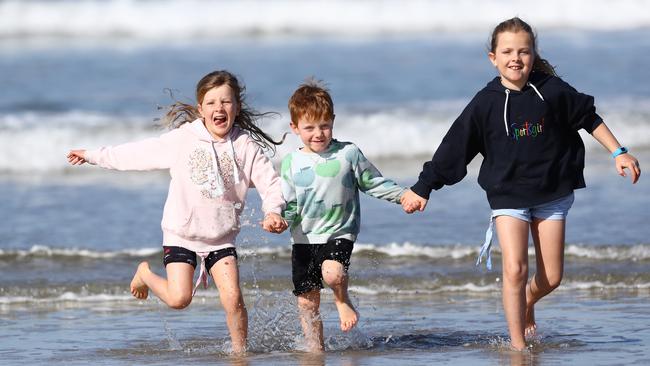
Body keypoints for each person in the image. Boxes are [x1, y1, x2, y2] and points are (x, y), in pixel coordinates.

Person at [401, 17, 641, 351]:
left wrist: (618, 151)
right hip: (507, 194)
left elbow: (588, 117)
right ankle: (517, 347)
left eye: (524, 51)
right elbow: (455, 148)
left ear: (533, 55)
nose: (516, 58)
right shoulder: (484, 103)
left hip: (551, 192)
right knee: (514, 269)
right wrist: (423, 186)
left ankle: (527, 302)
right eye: (508, 51)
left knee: (552, 277)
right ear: (493, 58)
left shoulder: (551, 90)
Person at [67, 70, 288, 354]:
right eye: (211, 103)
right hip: (181, 233)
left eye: (226, 102)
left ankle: (239, 354)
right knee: (178, 299)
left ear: (237, 107)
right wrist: (94, 155)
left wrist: (273, 211)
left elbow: (270, 183)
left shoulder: (245, 146)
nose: (218, 108)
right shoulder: (183, 139)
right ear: (200, 109)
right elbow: (137, 154)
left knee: (233, 299)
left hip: (221, 238)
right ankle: (145, 274)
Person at [280, 79, 406, 352]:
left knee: (333, 274)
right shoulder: (291, 162)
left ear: (333, 121)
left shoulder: (348, 153)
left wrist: (402, 196)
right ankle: (315, 350)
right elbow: (289, 203)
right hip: (303, 239)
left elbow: (373, 182)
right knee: (307, 302)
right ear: (294, 128)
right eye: (309, 127)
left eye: (324, 125)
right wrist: (280, 219)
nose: (318, 133)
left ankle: (341, 300)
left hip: (339, 232)